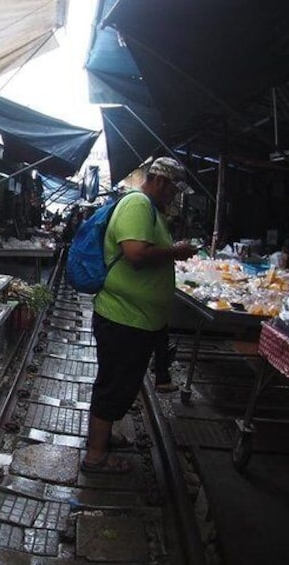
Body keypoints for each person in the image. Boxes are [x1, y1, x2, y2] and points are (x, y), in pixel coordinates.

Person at [82, 157, 197, 474]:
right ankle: (95, 457)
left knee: (120, 383)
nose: (174, 195)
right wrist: (177, 251)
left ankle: (104, 438)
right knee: (113, 385)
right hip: (123, 318)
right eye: (173, 188)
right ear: (160, 181)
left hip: (135, 319)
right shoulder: (137, 205)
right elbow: (135, 254)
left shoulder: (149, 208)